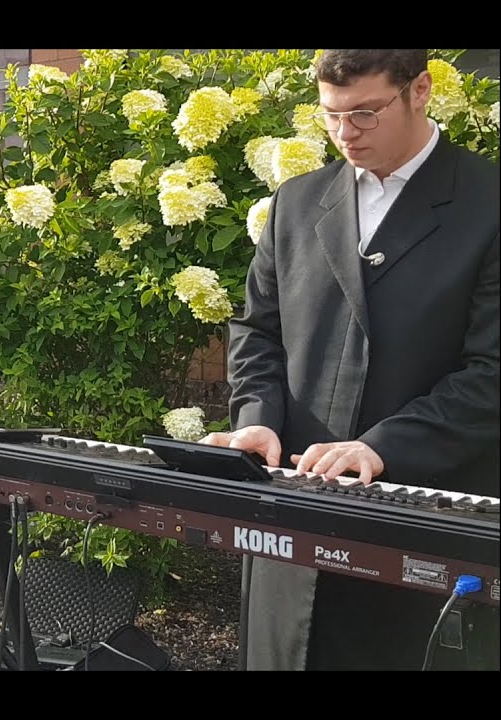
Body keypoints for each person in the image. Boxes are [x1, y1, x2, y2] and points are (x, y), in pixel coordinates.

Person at [201, 49, 499, 670]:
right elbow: (257, 332)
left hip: (421, 525)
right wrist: (257, 419)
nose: (345, 133)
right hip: (289, 519)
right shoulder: (296, 202)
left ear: (420, 90)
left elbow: (492, 369)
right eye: (331, 115)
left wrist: (383, 445)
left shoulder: (488, 202)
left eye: (365, 113)